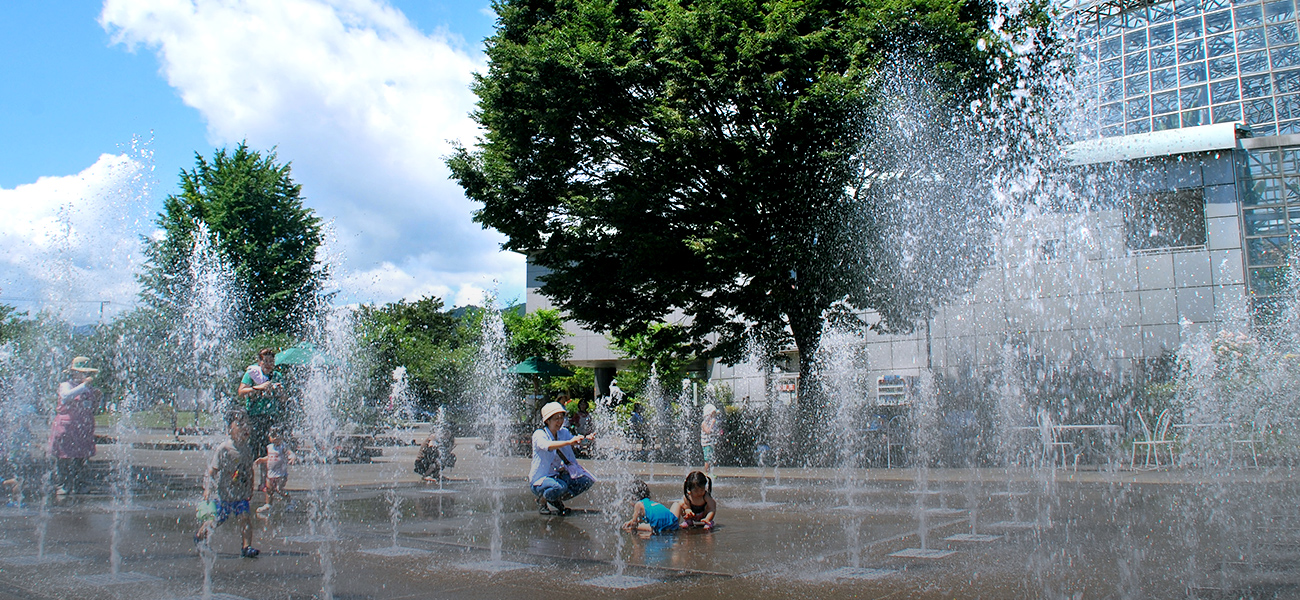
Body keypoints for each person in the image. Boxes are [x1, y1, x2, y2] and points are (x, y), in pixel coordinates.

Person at [196, 412, 259, 558]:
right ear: (229, 429)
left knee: (245, 517)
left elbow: (250, 470)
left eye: (246, 425)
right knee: (215, 520)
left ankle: (246, 546)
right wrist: (207, 489)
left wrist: (251, 487)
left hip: (241, 494)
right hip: (224, 494)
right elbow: (212, 471)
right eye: (239, 425)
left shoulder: (247, 449)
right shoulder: (223, 449)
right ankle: (200, 536)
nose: (244, 428)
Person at [530, 401, 595, 516]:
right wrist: (568, 442)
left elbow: (575, 442)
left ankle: (555, 499)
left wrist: (586, 440)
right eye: (556, 419)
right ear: (547, 420)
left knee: (586, 481)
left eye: (561, 418)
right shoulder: (539, 434)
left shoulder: (563, 432)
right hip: (542, 478)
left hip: (560, 474)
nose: (560, 422)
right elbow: (547, 445)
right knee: (559, 487)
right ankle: (543, 500)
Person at [49, 357, 102, 494]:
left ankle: (80, 483)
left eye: (87, 373)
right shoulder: (66, 385)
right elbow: (66, 396)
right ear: (73, 373)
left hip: (83, 427)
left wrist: (97, 399)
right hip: (66, 427)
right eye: (82, 372)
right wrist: (84, 386)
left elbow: (93, 408)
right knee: (64, 455)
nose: (85, 376)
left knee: (82, 456)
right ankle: (63, 484)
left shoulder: (89, 389)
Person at [238, 348, 285, 460]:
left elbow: (283, 399)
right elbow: (241, 391)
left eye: (271, 361)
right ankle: (248, 472)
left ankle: (267, 475)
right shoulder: (252, 374)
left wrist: (279, 391)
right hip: (254, 415)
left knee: (269, 448)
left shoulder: (277, 376)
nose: (268, 364)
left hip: (271, 416)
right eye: (266, 361)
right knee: (252, 447)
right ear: (260, 362)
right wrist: (258, 388)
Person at [254, 428, 295, 516]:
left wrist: (292, 456)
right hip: (271, 473)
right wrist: (262, 459)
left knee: (279, 489)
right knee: (269, 489)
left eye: (277, 436)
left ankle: (290, 501)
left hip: (281, 473)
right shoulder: (269, 447)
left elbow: (289, 452)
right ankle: (268, 504)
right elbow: (269, 457)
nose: (275, 438)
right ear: (269, 437)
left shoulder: (283, 446)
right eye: (273, 436)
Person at [700, 403, 721, 475]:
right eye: (713, 414)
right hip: (706, 444)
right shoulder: (704, 423)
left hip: (710, 443)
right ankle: (707, 473)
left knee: (711, 458)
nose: (714, 416)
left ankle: (710, 472)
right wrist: (712, 424)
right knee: (707, 459)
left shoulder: (709, 422)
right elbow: (708, 431)